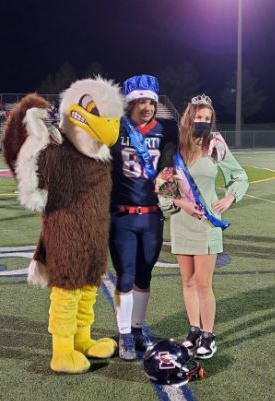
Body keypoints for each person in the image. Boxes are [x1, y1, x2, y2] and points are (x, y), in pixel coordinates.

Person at [158, 94, 249, 359]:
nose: (203, 121)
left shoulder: (216, 144)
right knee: (186, 281)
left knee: (203, 282)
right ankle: (194, 331)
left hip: (206, 225)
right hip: (181, 221)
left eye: (208, 118)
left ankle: (208, 336)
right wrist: (180, 203)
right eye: (199, 117)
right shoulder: (176, 147)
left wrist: (230, 197)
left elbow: (239, 175)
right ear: (189, 117)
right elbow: (165, 184)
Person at [109, 74, 177, 360]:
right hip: (122, 216)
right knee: (125, 277)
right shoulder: (115, 128)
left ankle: (137, 330)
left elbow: (187, 146)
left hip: (151, 217)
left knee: (145, 277)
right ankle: (124, 335)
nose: (147, 106)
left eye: (151, 101)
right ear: (131, 103)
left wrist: (214, 138)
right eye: (141, 101)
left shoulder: (165, 129)